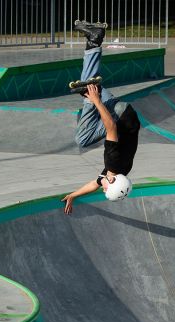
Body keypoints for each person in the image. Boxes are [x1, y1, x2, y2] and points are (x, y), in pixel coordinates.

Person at [61, 20, 141, 215]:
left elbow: (94, 184)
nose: (102, 187)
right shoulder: (114, 163)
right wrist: (96, 102)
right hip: (119, 117)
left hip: (127, 114)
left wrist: (73, 195)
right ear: (112, 181)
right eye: (106, 189)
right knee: (83, 138)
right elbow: (111, 127)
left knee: (89, 85)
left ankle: (94, 40)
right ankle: (91, 97)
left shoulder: (117, 173)